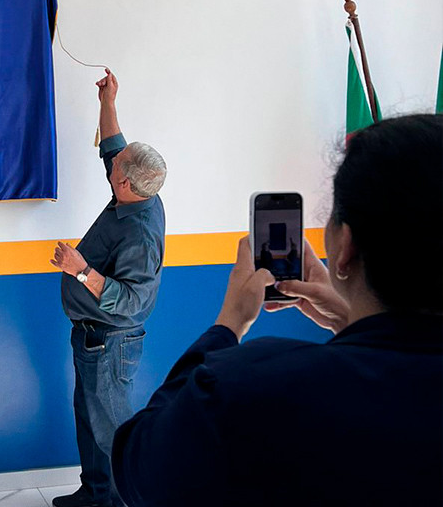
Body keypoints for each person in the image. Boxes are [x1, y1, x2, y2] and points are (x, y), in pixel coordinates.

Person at [112, 114, 443, 506]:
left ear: (346, 246)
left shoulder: (254, 383)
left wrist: (228, 325)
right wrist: (352, 322)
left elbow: (139, 467)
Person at [50, 69, 167, 507]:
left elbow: (134, 299)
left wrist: (81, 271)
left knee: (114, 434)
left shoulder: (141, 234)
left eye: (116, 165)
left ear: (125, 183)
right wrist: (108, 102)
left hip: (110, 344)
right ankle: (95, 495)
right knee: (90, 421)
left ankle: (120, 502)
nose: (111, 159)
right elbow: (115, 146)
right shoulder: (134, 190)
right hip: (91, 337)